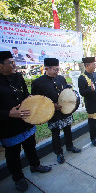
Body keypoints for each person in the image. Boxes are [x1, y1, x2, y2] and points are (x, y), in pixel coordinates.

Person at [0, 51, 51, 192]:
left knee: (30, 146)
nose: (14, 65)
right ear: (0, 66)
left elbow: (25, 94)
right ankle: (18, 178)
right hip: (8, 126)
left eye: (14, 61)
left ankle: (35, 165)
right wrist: (8, 113)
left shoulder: (18, 76)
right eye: (10, 62)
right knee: (13, 154)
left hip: (26, 121)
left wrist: (32, 101)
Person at [31, 58, 81, 164]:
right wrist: (52, 105)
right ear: (46, 69)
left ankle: (70, 146)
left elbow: (65, 91)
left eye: (58, 69)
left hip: (64, 110)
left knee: (68, 129)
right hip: (52, 113)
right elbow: (36, 100)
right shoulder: (38, 83)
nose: (57, 72)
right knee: (55, 134)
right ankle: (59, 153)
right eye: (54, 70)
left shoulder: (61, 78)